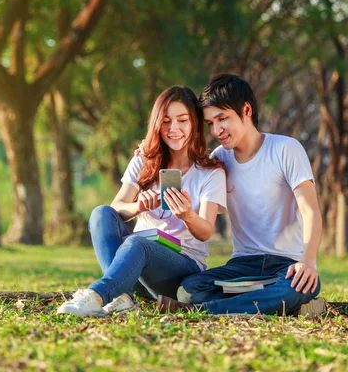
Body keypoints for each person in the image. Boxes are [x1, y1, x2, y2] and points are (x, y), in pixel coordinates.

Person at [158, 74, 324, 316]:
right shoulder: (219, 160)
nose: (216, 130)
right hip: (242, 265)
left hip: (287, 264)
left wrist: (307, 261)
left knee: (293, 288)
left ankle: (200, 311)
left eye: (222, 119)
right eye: (210, 123)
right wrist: (150, 153)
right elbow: (185, 166)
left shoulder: (285, 149)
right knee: (189, 288)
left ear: (246, 110)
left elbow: (310, 210)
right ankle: (269, 304)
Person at [56, 86, 227, 317]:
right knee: (101, 213)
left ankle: (96, 295)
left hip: (179, 269)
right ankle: (122, 297)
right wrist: (138, 207)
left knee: (136, 244)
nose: (173, 129)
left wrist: (187, 215)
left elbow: (206, 231)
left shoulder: (210, 173)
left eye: (182, 120)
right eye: (165, 121)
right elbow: (117, 208)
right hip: (134, 266)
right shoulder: (145, 160)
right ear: (157, 123)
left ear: (194, 123)